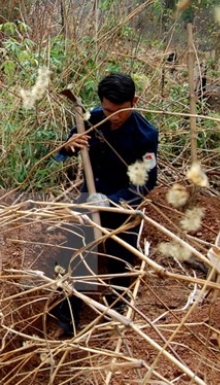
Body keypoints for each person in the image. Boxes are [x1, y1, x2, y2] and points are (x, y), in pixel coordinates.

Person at [55, 72, 159, 335]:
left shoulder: (145, 135)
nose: (113, 116)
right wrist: (68, 147)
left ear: (134, 101)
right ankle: (67, 317)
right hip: (89, 197)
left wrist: (110, 203)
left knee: (121, 260)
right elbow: (64, 151)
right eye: (108, 109)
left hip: (123, 203)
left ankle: (115, 313)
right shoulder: (92, 118)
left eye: (121, 111)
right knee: (74, 255)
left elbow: (145, 182)